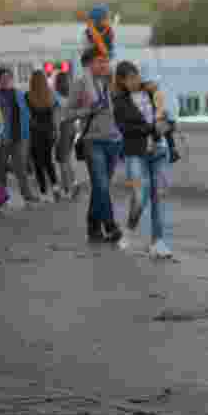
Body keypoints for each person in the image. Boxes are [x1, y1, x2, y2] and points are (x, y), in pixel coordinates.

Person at [113, 62, 174, 259]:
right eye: (129, 78)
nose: (134, 81)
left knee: (159, 197)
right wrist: (152, 129)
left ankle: (158, 242)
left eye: (135, 76)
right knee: (139, 195)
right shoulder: (119, 102)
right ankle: (129, 230)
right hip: (135, 154)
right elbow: (125, 129)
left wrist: (167, 124)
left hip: (159, 150)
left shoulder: (152, 92)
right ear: (121, 81)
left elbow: (166, 115)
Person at [67, 47, 123, 244]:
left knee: (102, 187)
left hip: (114, 141)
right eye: (100, 61)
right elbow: (68, 113)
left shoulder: (112, 83)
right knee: (100, 184)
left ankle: (92, 225)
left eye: (106, 61)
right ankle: (110, 225)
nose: (104, 65)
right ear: (89, 64)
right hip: (93, 141)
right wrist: (88, 110)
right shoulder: (80, 84)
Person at [0, 67, 39, 208]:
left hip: (20, 137)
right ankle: (1, 198)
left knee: (21, 167)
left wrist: (27, 133)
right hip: (4, 138)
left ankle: (27, 195)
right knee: (1, 168)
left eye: (8, 78)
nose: (6, 81)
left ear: (12, 79)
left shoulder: (19, 94)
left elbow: (26, 113)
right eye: (3, 78)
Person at [26, 70, 61, 202]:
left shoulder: (28, 96)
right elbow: (55, 115)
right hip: (49, 132)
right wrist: (56, 131)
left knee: (38, 163)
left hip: (35, 133)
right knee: (48, 161)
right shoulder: (51, 95)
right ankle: (56, 188)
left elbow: (27, 117)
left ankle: (43, 191)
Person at [54, 71, 77, 199]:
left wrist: (56, 132)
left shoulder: (56, 97)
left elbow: (57, 117)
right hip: (72, 127)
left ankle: (68, 189)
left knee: (63, 160)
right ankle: (71, 185)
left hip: (63, 128)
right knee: (67, 158)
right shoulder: (72, 95)